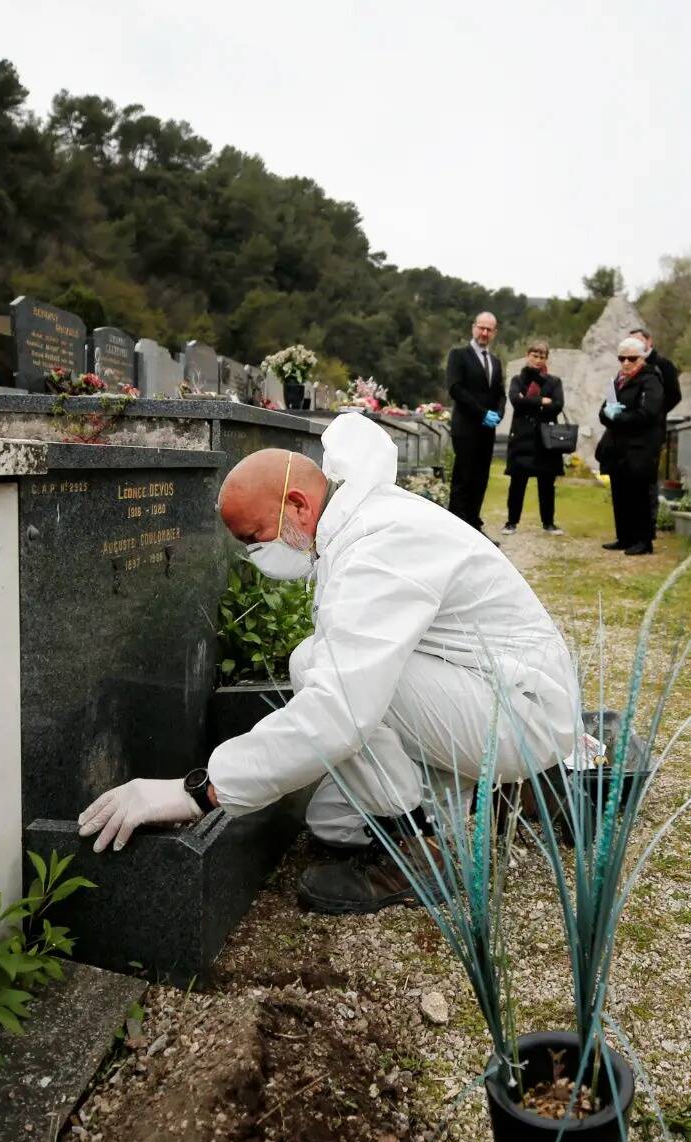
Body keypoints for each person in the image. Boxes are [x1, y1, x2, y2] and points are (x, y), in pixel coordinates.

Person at [77, 413, 579, 914]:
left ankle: (414, 851)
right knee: (334, 826)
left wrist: (201, 793)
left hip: (521, 712)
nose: (255, 555)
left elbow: (340, 709)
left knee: (318, 665)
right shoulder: (362, 523)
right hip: (486, 692)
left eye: (254, 538)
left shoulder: (376, 548)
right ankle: (437, 820)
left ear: (297, 505)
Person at [595, 336, 666, 556]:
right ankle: (624, 537)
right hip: (619, 447)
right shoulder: (619, 380)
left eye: (631, 358)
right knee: (621, 493)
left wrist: (619, 417)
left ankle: (643, 540)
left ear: (642, 358)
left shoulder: (651, 380)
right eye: (622, 358)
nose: (626, 363)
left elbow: (647, 414)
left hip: (641, 447)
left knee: (640, 494)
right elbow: (604, 411)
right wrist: (609, 414)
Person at [444, 311, 505, 533]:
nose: (485, 333)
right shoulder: (458, 355)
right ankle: (457, 527)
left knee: (481, 478)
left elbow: (500, 393)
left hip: (487, 431)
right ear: (473, 327)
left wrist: (499, 412)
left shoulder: (495, 362)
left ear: (494, 333)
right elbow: (455, 388)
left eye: (489, 329)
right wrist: (481, 413)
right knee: (464, 477)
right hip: (466, 428)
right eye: (481, 327)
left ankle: (474, 525)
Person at [502, 341, 566, 536]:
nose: (538, 360)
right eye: (535, 355)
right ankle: (511, 522)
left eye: (542, 357)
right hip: (522, 437)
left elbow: (557, 405)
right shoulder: (517, 380)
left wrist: (530, 401)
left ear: (546, 358)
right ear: (527, 355)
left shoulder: (554, 381)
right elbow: (516, 401)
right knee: (517, 483)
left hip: (545, 439)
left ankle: (548, 523)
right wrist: (541, 401)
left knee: (547, 484)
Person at [630, 326, 680, 543]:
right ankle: (631, 529)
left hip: (651, 431)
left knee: (648, 482)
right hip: (631, 432)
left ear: (649, 342)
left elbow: (674, 395)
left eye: (639, 342)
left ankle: (647, 531)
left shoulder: (663, 365)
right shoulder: (628, 363)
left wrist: (655, 413)